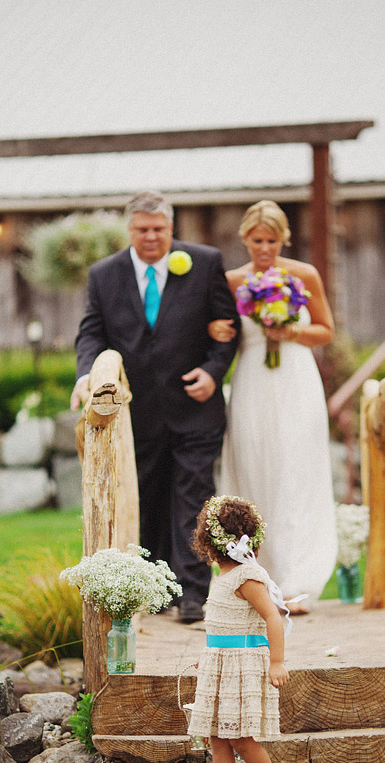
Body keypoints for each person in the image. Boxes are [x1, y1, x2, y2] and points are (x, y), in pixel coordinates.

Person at [71, 191, 240, 623]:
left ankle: (192, 595)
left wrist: (212, 372)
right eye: (142, 229)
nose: (151, 237)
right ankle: (154, 588)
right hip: (136, 411)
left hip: (194, 408)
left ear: (171, 227)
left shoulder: (203, 263)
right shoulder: (104, 275)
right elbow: (92, 333)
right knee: (144, 496)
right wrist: (87, 374)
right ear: (130, 230)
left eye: (159, 229)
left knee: (192, 494)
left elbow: (227, 328)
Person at [209, 200, 337, 614]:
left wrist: (290, 330)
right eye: (257, 240)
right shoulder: (231, 280)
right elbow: (220, 330)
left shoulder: (303, 275)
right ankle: (252, 576)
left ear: (285, 239)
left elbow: (325, 331)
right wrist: (215, 327)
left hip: (295, 380)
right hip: (252, 382)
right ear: (245, 238)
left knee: (295, 473)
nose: (264, 248)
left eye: (272, 240)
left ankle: (297, 580)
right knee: (254, 468)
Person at [188, 495, 291, 763]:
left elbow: (272, 619)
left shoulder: (247, 576)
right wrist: (209, 651)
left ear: (209, 539)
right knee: (217, 737)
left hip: (244, 664)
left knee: (242, 738)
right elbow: (222, 623)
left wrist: (277, 662)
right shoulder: (223, 575)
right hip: (221, 662)